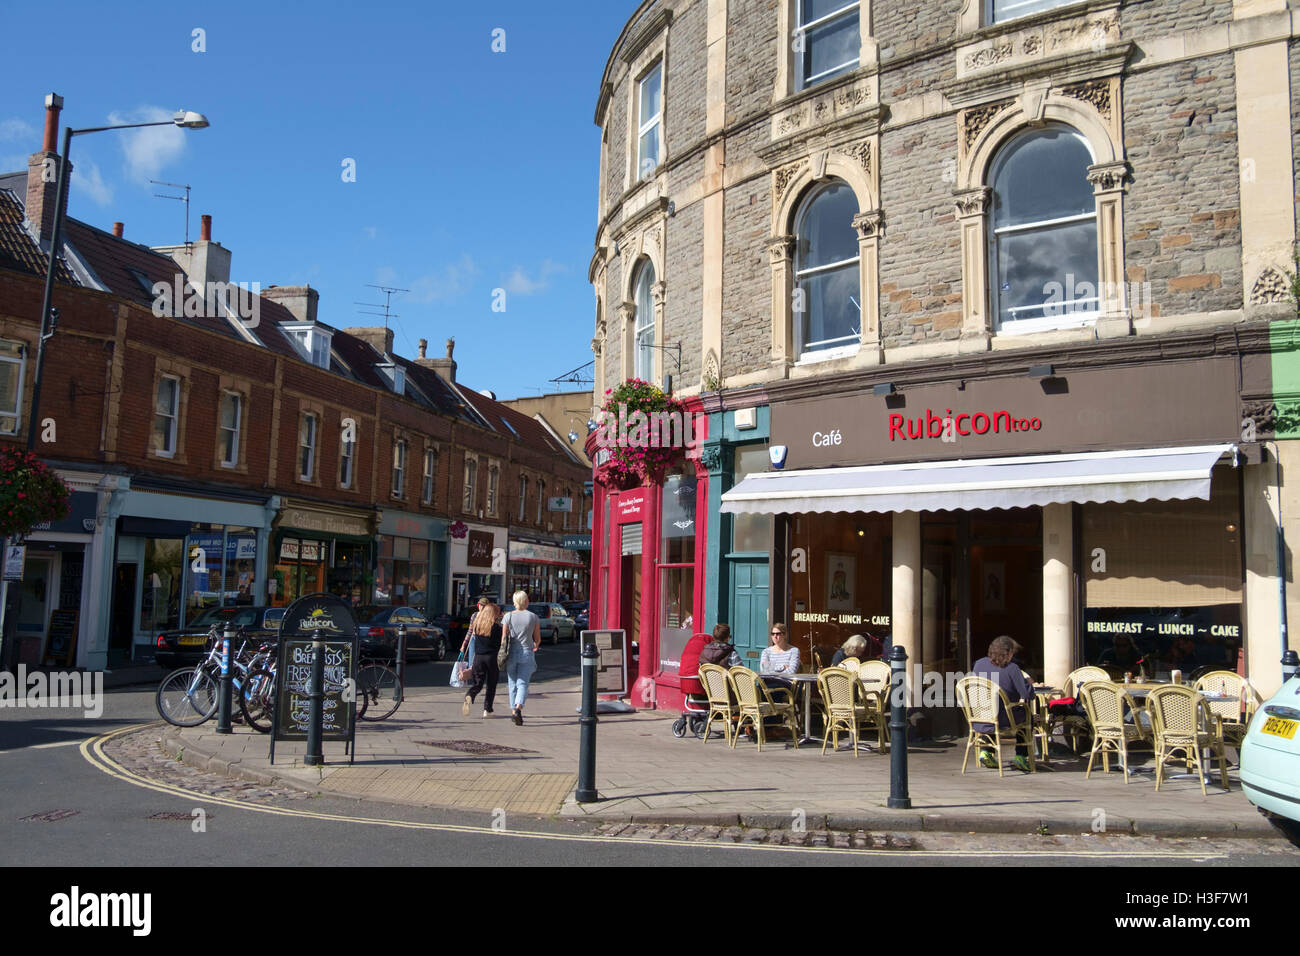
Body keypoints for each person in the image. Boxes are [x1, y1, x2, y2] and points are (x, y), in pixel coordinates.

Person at [970, 635, 1034, 772]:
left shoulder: (979, 664)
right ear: (1009, 652)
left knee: (994, 708)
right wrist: (1028, 681)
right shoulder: (1012, 668)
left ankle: (986, 751)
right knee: (1027, 715)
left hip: (979, 717)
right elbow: (1027, 695)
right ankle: (1021, 756)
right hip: (1003, 719)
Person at [500, 590, 541, 726]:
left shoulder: (508, 617)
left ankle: (513, 712)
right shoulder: (533, 617)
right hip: (526, 652)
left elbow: (503, 639)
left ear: (514, 601)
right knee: (522, 683)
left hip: (511, 652)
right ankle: (518, 708)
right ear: (525, 601)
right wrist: (535, 645)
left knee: (512, 683)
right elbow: (537, 639)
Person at [461, 600, 502, 717]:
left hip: (478, 658)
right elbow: (501, 643)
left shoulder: (477, 626)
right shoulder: (496, 628)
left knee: (478, 683)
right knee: (491, 684)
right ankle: (487, 710)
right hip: (492, 658)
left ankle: (470, 694)